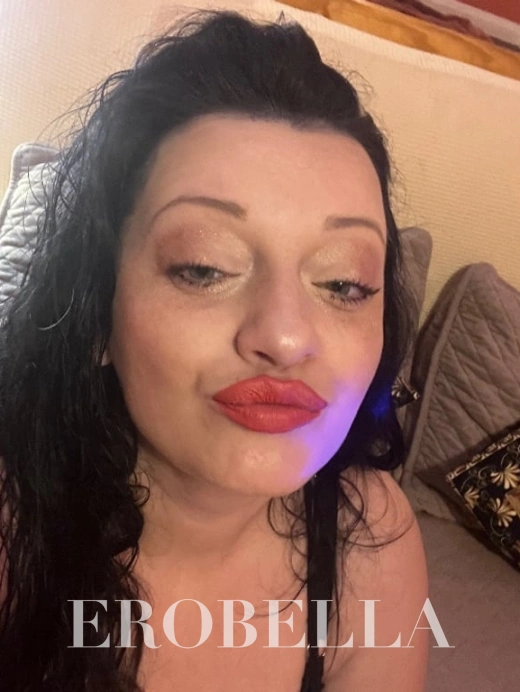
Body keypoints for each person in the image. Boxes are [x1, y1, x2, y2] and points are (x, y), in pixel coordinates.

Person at [0, 8, 429, 691]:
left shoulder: (371, 542)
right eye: (204, 268)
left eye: (344, 283)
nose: (285, 337)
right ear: (97, 310)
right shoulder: (13, 536)